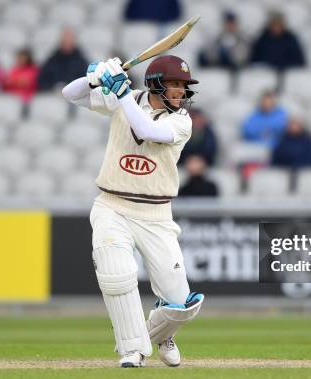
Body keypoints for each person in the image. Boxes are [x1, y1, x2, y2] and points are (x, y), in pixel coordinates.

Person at [62, 55, 204, 368]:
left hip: (156, 214)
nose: (181, 91)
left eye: (184, 85)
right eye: (175, 84)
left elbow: (146, 131)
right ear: (155, 83)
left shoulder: (181, 121)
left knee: (182, 304)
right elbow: (69, 94)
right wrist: (95, 77)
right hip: (113, 204)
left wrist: (121, 93)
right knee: (116, 272)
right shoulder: (127, 98)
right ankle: (131, 350)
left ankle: (163, 334)